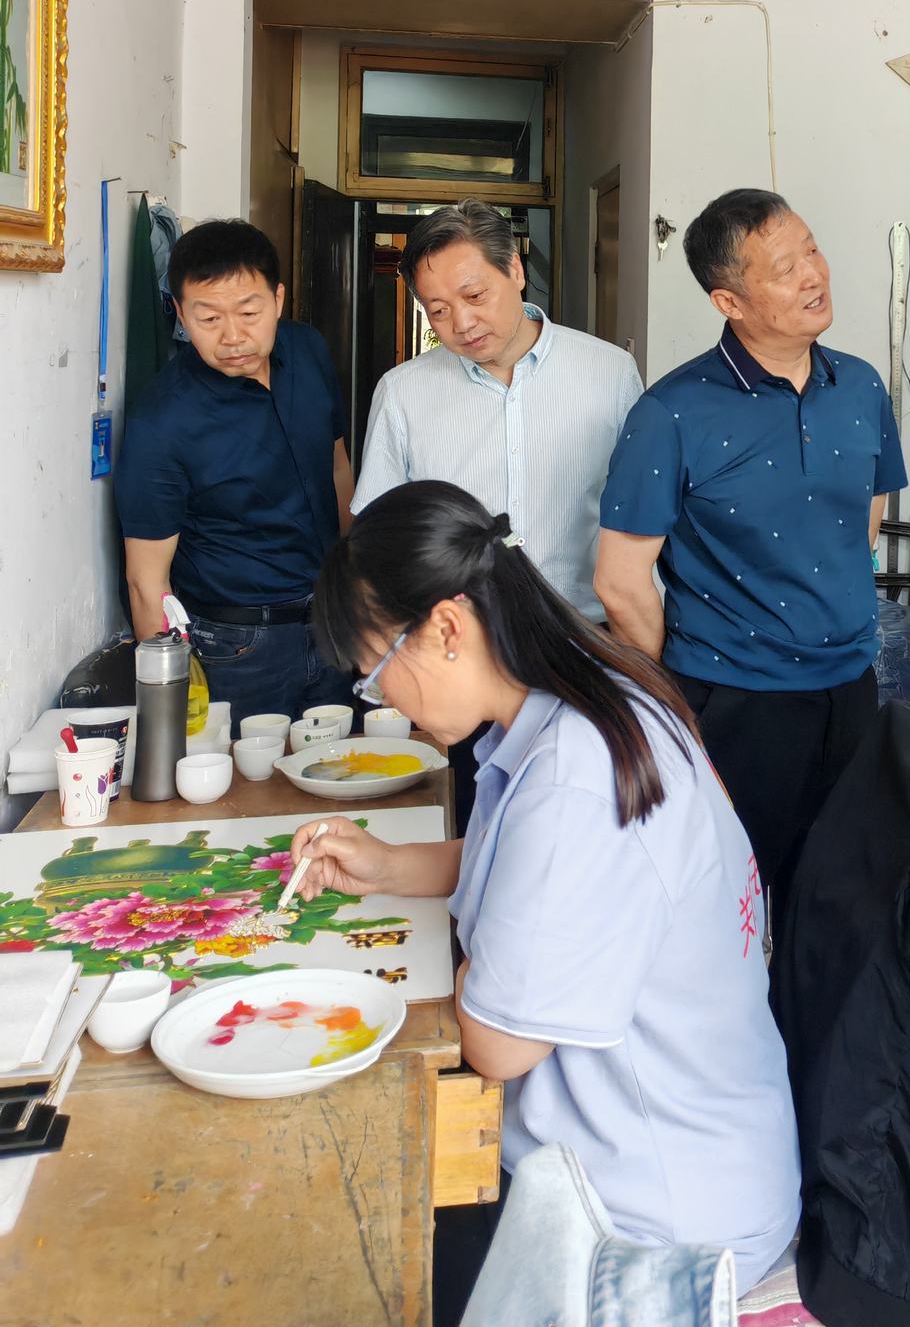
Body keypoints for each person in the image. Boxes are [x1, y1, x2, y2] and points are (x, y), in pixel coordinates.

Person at [289, 480, 801, 1308]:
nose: (384, 700)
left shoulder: (575, 774)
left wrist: (482, 952)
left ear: (446, 627)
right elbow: (524, 869)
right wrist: (385, 868)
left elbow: (499, 1044)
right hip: (677, 1143)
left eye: (375, 674)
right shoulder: (586, 690)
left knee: (357, 1249)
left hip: (656, 1222)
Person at [594, 189, 906, 913]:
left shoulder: (860, 386)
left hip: (851, 687)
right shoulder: (671, 412)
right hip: (734, 702)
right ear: (729, 301)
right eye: (784, 268)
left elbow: (866, 521)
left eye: (811, 250)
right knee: (730, 903)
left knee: (838, 895)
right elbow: (620, 581)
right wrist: (678, 691)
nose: (813, 274)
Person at [354, 200, 642, 821]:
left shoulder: (610, 374)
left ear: (514, 268)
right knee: (472, 822)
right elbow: (377, 542)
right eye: (437, 310)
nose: (461, 323)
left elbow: (643, 524)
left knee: (587, 820)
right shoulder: (403, 393)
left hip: (583, 646)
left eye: (474, 295)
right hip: (462, 661)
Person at [115, 220, 354, 729]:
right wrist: (171, 703)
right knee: (243, 780)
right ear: (181, 314)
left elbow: (337, 466)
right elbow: (146, 580)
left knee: (339, 766)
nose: (232, 337)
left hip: (334, 622)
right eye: (208, 318)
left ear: (278, 299)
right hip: (236, 647)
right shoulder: (162, 421)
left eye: (249, 313)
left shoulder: (308, 351)